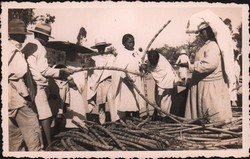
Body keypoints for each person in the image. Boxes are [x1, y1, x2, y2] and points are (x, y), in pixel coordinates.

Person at [24, 22, 73, 147]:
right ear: (44, 37)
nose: (46, 40)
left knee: (35, 115)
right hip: (37, 84)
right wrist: (61, 72)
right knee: (46, 115)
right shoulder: (40, 48)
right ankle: (48, 144)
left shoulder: (28, 45)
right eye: (46, 37)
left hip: (27, 83)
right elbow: (44, 70)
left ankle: (39, 142)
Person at [184, 10, 233, 122]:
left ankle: (213, 129)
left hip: (210, 86)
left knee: (211, 112)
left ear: (210, 31)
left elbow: (210, 65)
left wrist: (191, 67)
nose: (200, 35)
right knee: (206, 111)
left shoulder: (213, 46)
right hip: (205, 84)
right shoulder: (208, 45)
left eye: (202, 32)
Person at [8, 19, 41, 151]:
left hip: (8, 99)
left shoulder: (6, 48)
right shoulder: (15, 52)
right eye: (22, 34)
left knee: (14, 138)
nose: (24, 36)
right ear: (16, 34)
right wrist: (27, 96)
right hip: (18, 97)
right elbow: (17, 77)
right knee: (33, 132)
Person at [113, 34, 145, 119]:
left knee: (136, 99)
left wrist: (142, 67)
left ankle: (137, 118)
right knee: (128, 101)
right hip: (126, 81)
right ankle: (128, 119)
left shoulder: (136, 53)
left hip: (137, 79)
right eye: (129, 42)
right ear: (124, 43)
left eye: (133, 41)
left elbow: (140, 64)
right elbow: (118, 69)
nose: (132, 44)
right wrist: (126, 78)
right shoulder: (121, 54)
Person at [87, 38, 118, 123]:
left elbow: (114, 68)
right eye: (99, 47)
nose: (101, 49)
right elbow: (91, 72)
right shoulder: (93, 58)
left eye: (102, 46)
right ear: (97, 48)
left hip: (109, 81)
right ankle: (102, 122)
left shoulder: (110, 57)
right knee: (101, 103)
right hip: (99, 83)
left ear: (105, 47)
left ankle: (114, 120)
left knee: (111, 100)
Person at [143, 50, 177, 121]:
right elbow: (151, 68)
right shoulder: (151, 59)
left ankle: (164, 117)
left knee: (164, 101)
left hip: (167, 81)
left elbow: (154, 71)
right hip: (159, 82)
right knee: (158, 99)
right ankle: (159, 114)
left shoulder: (162, 64)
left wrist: (146, 68)